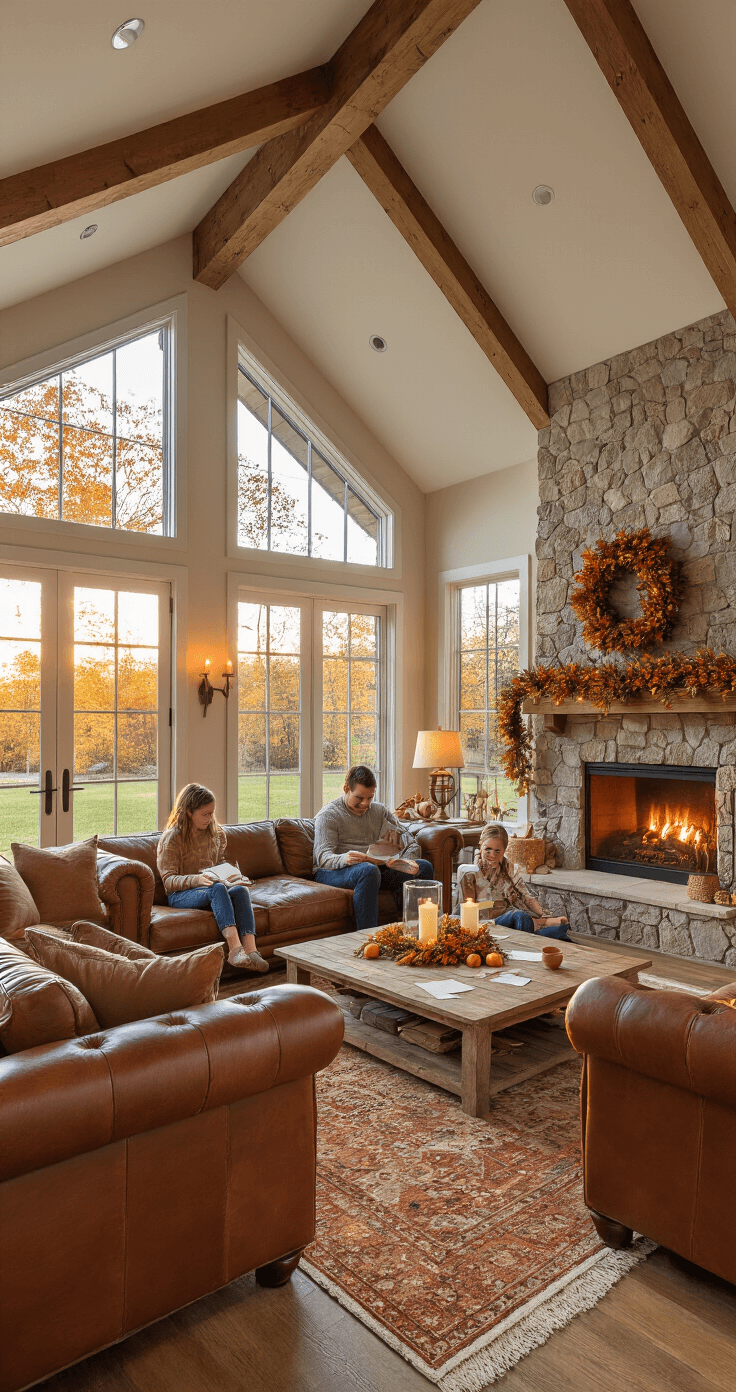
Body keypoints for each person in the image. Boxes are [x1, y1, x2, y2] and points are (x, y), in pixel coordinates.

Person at [157, 782, 269, 972]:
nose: (210, 818)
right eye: (205, 814)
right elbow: (168, 881)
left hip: (212, 889)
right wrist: (196, 880)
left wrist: (232, 877)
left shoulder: (216, 834)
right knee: (216, 888)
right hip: (181, 894)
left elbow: (219, 863)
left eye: (212, 813)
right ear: (189, 812)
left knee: (240, 890)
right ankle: (234, 950)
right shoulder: (172, 839)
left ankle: (251, 951)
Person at [313, 765, 436, 932]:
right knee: (368, 870)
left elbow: (410, 842)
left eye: (369, 798)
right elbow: (322, 857)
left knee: (423, 867)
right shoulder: (329, 815)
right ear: (346, 789)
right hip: (333, 871)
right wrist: (344, 858)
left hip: (374, 868)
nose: (365, 804)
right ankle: (368, 938)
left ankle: (416, 931)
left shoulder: (379, 811)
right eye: (359, 798)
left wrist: (403, 861)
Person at [456, 823, 570, 940]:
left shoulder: (508, 868)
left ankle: (540, 925)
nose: (492, 856)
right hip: (488, 924)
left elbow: (526, 896)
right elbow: (467, 912)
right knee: (521, 916)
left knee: (562, 935)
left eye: (497, 851)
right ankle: (540, 926)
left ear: (504, 850)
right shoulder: (469, 873)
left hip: (511, 920)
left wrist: (544, 915)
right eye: (488, 849)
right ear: (481, 845)